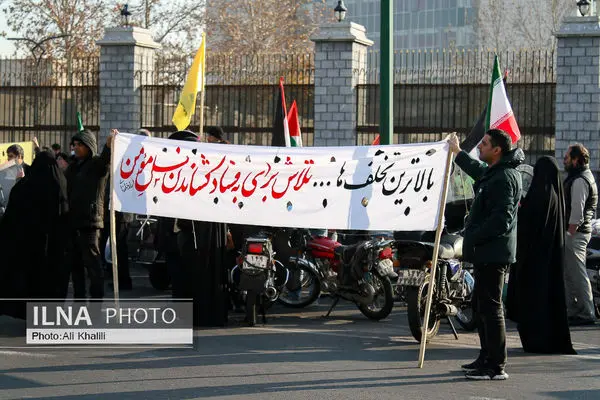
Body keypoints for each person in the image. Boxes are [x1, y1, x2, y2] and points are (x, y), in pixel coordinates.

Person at [448, 130, 523, 381]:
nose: (479, 146)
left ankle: (496, 365)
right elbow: (478, 169)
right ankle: (485, 357)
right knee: (480, 307)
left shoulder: (505, 177)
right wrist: (457, 152)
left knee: (491, 309)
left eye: (485, 143)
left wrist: (474, 234)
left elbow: (501, 221)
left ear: (498, 150)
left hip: (493, 253)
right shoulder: (495, 172)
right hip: (485, 252)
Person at [506, 156, 576, 354]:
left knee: (532, 302)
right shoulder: (556, 195)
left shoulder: (539, 195)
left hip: (533, 261)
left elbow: (528, 226)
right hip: (550, 261)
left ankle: (535, 340)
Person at [0, 150, 69, 319]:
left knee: (29, 279)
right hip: (53, 247)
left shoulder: (25, 186)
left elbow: (10, 218)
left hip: (28, 246)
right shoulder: (60, 184)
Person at [65, 129, 113, 300]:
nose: (76, 148)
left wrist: (108, 145)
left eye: (80, 145)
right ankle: (79, 301)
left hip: (90, 223)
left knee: (93, 265)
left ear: (89, 146)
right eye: (75, 145)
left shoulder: (96, 165)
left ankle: (96, 303)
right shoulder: (72, 168)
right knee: (75, 265)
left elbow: (106, 161)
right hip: (73, 222)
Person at [563, 143, 598, 326]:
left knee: (577, 274)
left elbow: (577, 210)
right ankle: (575, 310)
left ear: (576, 160)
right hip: (577, 233)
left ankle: (586, 312)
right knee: (571, 273)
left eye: (567, 157)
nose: (564, 160)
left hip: (576, 234)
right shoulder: (581, 176)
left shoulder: (579, 180)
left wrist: (570, 232)